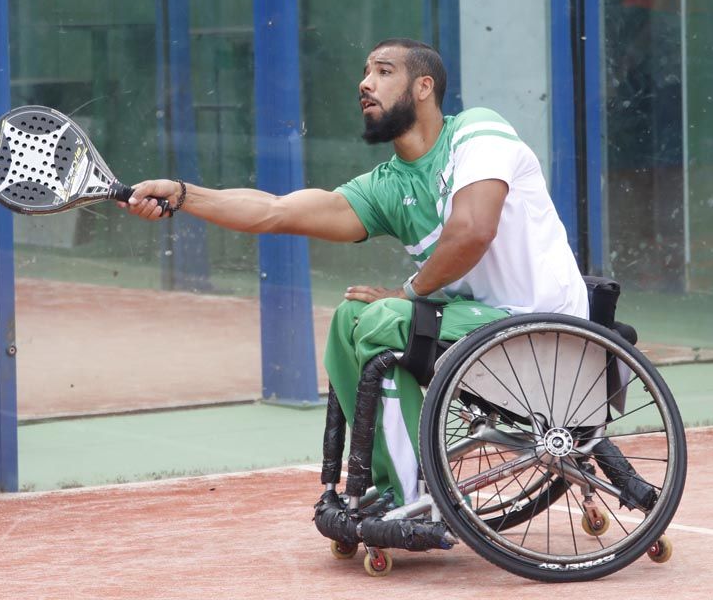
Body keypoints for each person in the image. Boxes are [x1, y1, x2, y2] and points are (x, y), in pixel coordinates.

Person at [122, 37, 588, 514]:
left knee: (385, 316)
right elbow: (275, 211)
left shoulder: (478, 131)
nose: (365, 83)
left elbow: (473, 230)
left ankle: (416, 497)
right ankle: (392, 485)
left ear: (423, 86)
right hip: (484, 333)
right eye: (366, 73)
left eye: (384, 72)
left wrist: (406, 295)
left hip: (545, 330)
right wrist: (182, 194)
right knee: (351, 318)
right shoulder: (389, 185)